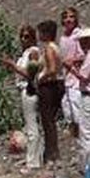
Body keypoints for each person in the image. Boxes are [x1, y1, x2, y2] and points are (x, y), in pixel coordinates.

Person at [1, 26, 42, 169]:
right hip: (23, 88)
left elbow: (31, 74)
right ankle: (35, 157)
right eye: (22, 37)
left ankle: (33, 161)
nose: (24, 40)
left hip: (29, 89)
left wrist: (13, 65)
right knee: (30, 125)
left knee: (32, 126)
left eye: (27, 37)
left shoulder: (33, 53)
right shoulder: (25, 54)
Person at [35, 20, 65, 164]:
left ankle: (52, 153)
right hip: (57, 84)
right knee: (50, 119)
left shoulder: (48, 48)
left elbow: (52, 68)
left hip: (49, 85)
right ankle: (52, 152)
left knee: (48, 120)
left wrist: (41, 77)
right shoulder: (56, 47)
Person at [64, 27, 90, 169]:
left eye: (82, 41)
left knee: (87, 133)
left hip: (89, 96)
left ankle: (89, 165)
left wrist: (71, 68)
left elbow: (84, 77)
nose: (81, 44)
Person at [59, 7, 84, 138]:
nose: (68, 20)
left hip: (77, 77)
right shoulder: (63, 38)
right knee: (67, 108)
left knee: (77, 108)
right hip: (67, 78)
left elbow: (84, 54)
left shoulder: (78, 35)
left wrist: (71, 61)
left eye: (71, 17)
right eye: (66, 17)